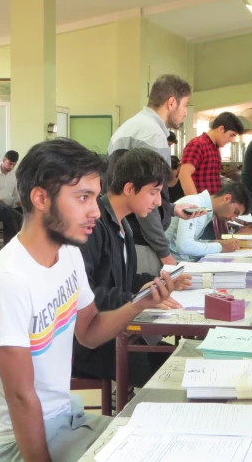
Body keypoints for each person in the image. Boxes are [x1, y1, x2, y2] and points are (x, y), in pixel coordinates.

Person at [0, 138, 188, 461]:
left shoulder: (68, 254)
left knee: (167, 442)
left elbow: (88, 330)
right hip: (18, 445)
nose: (95, 211)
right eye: (83, 197)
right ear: (40, 198)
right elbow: (21, 398)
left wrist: (138, 303)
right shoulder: (8, 283)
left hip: (66, 421)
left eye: (95, 197)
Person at [74, 149, 192, 387]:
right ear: (129, 188)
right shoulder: (94, 227)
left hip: (119, 332)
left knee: (187, 362)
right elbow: (86, 294)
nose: (158, 202)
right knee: (181, 376)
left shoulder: (124, 225)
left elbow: (123, 280)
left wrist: (156, 285)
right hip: (92, 343)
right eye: (154, 192)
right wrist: (136, 298)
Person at [108, 74, 191, 276]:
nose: (186, 112)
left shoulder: (131, 126)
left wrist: (171, 209)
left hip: (128, 235)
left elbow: (134, 188)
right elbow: (144, 197)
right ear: (172, 102)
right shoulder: (152, 134)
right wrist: (166, 256)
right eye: (185, 105)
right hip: (142, 242)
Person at [166, 183, 252, 262]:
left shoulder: (204, 206)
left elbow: (188, 243)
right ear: (227, 198)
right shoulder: (195, 204)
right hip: (168, 263)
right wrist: (221, 247)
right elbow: (184, 246)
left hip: (176, 260)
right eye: (235, 212)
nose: (233, 219)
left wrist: (217, 243)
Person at [179, 111, 244, 197]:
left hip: (211, 204)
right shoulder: (198, 144)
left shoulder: (215, 149)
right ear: (221, 129)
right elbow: (184, 174)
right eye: (231, 135)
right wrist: (197, 204)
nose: (231, 140)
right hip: (199, 207)